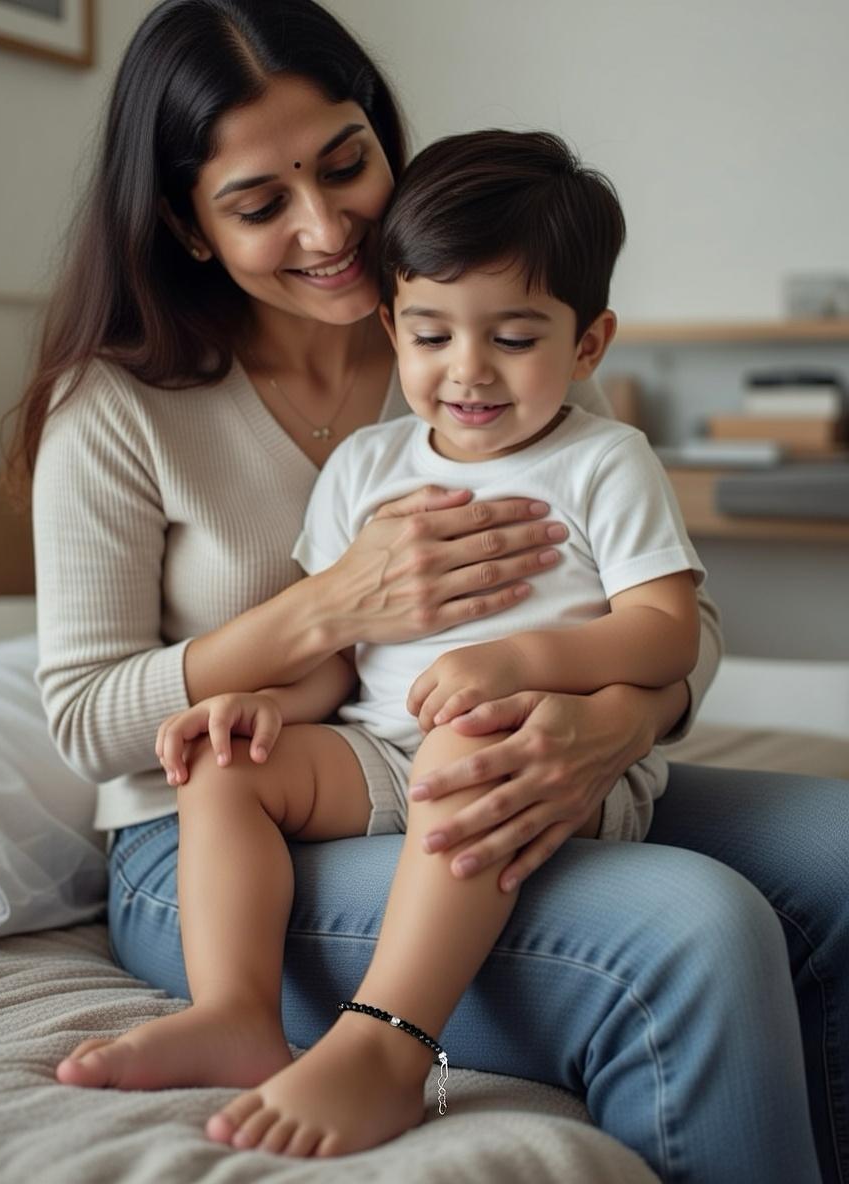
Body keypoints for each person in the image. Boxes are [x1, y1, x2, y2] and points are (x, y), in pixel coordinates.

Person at [6, 1, 843, 1180]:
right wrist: (325, 611)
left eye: (347, 163)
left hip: (483, 739)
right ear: (187, 227)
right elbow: (88, 716)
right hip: (215, 838)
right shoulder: (122, 408)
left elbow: (670, 615)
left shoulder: (492, 321)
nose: (328, 226)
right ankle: (364, 1034)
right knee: (696, 931)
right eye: (258, 203)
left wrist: (609, 726)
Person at [57, 127, 707, 1158]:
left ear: (588, 344)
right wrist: (267, 704)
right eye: (433, 335)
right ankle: (235, 1011)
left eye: (515, 337)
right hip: (381, 752)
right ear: (393, 321)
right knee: (230, 765)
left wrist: (528, 665)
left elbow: (669, 630)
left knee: (469, 740)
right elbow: (334, 653)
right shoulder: (366, 463)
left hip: (535, 760)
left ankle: (387, 1041)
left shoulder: (602, 456)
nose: (470, 372)